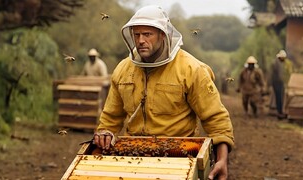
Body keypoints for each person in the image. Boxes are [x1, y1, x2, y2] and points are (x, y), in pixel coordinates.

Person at [93, 5, 234, 180]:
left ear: (163, 35)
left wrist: (222, 160)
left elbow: (215, 119)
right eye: (137, 35)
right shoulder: (123, 69)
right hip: (133, 156)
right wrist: (105, 132)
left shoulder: (191, 69)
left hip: (180, 156)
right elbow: (110, 117)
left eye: (147, 34)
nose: (141, 40)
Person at [270, 50, 293, 119]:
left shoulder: (286, 64)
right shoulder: (277, 63)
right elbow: (278, 75)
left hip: (283, 83)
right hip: (278, 83)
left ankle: (281, 111)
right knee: (279, 98)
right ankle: (280, 111)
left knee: (281, 98)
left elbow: (289, 73)